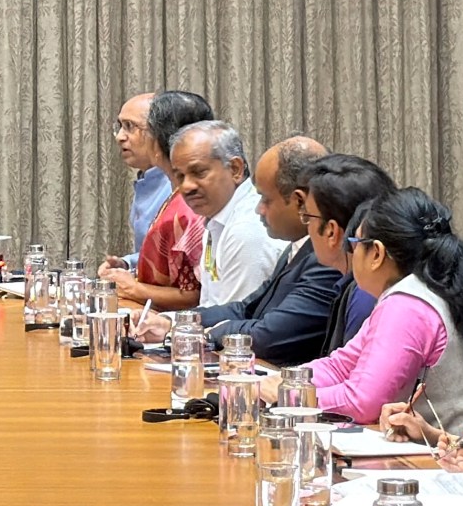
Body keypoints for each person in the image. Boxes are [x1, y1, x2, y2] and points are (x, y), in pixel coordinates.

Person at [261, 188, 463, 428]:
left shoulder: (409, 306)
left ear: (377, 253)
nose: (350, 252)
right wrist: (287, 381)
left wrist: (293, 397)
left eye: (355, 243)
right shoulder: (418, 290)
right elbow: (341, 365)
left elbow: (363, 402)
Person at [134, 137, 339, 365]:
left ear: (301, 202)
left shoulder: (327, 259)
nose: (259, 209)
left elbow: (270, 335)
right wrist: (174, 322)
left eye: (266, 199)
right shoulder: (299, 246)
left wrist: (200, 335)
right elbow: (246, 308)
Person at [98, 90, 213, 310]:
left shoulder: (193, 201)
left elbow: (197, 294)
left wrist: (133, 288)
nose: (119, 136)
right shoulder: (170, 188)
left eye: (131, 127)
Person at [170, 121, 286, 305]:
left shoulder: (247, 229)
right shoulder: (217, 217)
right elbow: (209, 305)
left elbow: (237, 322)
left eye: (198, 172)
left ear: (235, 169)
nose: (186, 186)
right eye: (180, 176)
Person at [295, 155, 394, 354]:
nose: (307, 228)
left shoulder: (366, 295)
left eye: (308, 217)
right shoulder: (361, 284)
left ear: (331, 231)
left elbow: (356, 380)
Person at [100, 93, 172, 274]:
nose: (120, 137)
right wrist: (127, 263)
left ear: (158, 132)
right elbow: (154, 254)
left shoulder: (176, 183)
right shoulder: (146, 179)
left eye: (129, 127)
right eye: (120, 127)